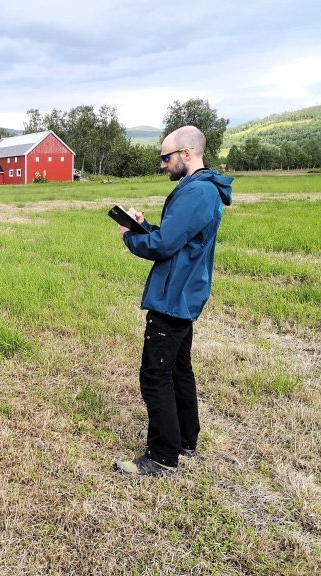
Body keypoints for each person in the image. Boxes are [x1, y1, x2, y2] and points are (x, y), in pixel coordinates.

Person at [113, 126, 233, 476]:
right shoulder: (201, 190)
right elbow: (174, 237)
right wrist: (143, 225)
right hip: (183, 294)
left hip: (173, 296)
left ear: (186, 154)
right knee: (179, 369)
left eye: (166, 157)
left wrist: (129, 239)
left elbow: (165, 246)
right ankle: (183, 439)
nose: (163, 165)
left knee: (155, 375)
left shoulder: (197, 192)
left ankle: (163, 456)